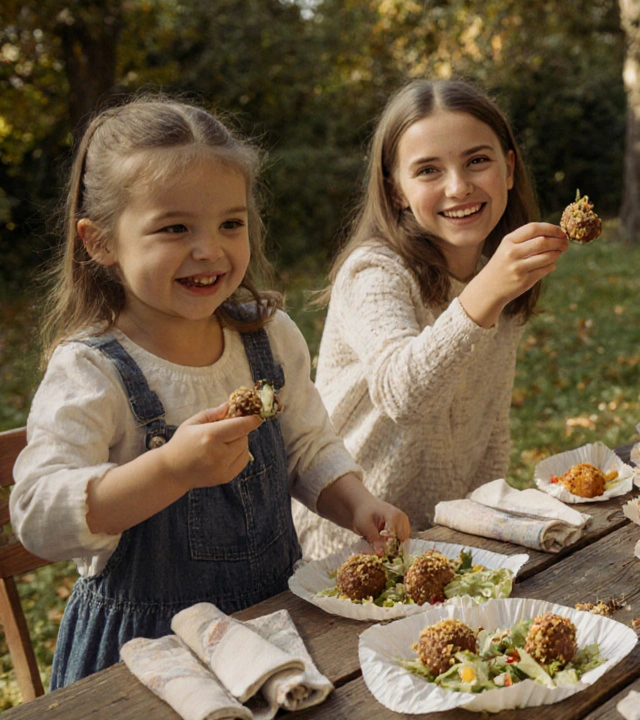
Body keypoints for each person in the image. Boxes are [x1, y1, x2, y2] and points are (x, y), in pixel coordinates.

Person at [8, 97, 410, 689]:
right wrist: (169, 469)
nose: (209, 249)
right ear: (100, 243)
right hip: (143, 657)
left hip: (272, 626)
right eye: (175, 228)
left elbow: (307, 447)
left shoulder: (267, 337)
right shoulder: (92, 371)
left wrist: (355, 504)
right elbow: (38, 515)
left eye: (230, 222)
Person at [296, 79, 568, 559]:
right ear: (395, 191)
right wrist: (487, 293)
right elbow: (404, 395)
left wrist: (484, 525)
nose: (458, 186)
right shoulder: (373, 272)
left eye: (477, 161)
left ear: (508, 169)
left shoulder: (493, 277)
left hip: (445, 543)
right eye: (427, 170)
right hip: (348, 547)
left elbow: (489, 424)